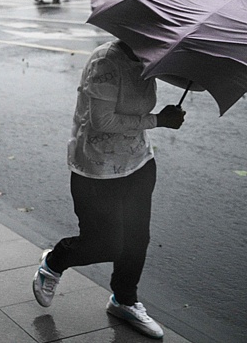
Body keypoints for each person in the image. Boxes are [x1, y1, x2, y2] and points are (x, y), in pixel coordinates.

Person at [32, 40, 185, 340]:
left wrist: (187, 66)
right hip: (96, 168)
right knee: (106, 243)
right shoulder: (105, 62)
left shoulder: (150, 56)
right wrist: (159, 120)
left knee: (137, 238)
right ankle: (55, 262)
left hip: (139, 163)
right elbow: (102, 121)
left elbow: (188, 83)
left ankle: (124, 300)